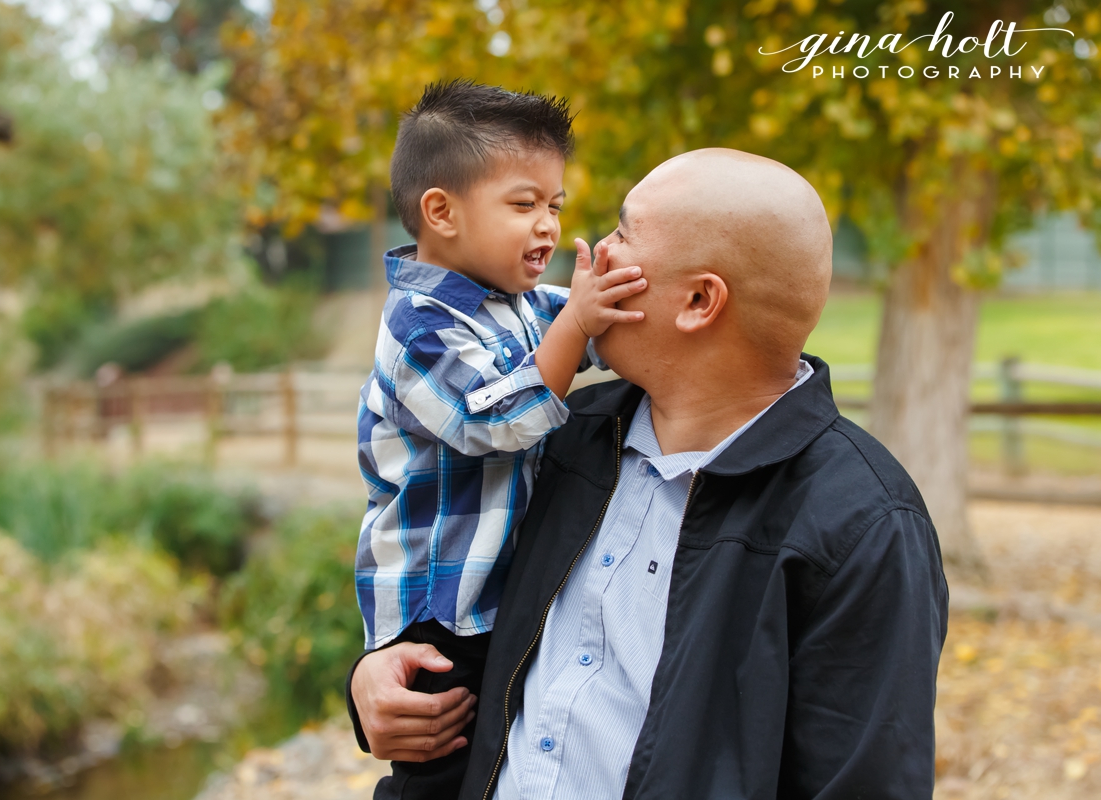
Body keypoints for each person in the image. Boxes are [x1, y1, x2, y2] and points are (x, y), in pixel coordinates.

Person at [348, 148, 950, 799]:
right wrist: (376, 682)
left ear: (697, 300)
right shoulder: (559, 436)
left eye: (622, 233)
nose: (590, 250)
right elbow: (443, 559)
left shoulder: (861, 527)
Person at [354, 80, 647, 799]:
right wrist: (577, 324)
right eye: (523, 205)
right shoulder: (418, 326)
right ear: (441, 212)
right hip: (441, 619)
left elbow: (592, 329)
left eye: (555, 206)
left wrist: (605, 300)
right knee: (448, 771)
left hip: (497, 599)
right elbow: (497, 421)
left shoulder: (518, 305)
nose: (547, 226)